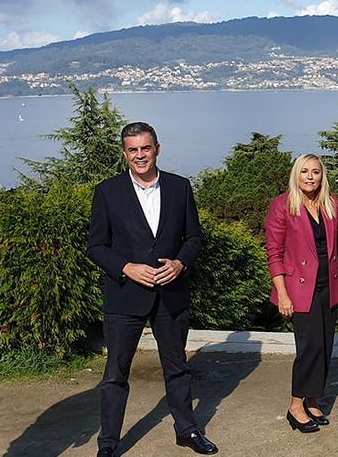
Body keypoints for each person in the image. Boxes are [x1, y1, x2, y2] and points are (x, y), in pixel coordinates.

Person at [86, 122, 217, 456]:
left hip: (171, 296)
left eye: (145, 148)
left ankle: (187, 431)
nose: (140, 155)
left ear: (158, 148)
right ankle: (109, 443)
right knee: (115, 374)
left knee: (177, 368)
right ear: (124, 153)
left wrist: (179, 263)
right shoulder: (107, 191)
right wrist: (126, 268)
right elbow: (96, 246)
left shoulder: (180, 187)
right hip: (124, 297)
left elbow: (194, 238)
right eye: (133, 150)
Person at [264, 154, 338, 433]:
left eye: (315, 172)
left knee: (326, 344)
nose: (310, 177)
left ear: (322, 175)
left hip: (329, 284)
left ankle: (313, 400)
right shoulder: (282, 205)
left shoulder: (331, 203)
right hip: (298, 288)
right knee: (309, 347)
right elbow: (274, 253)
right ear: (296, 174)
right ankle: (295, 405)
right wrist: (282, 294)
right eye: (304, 171)